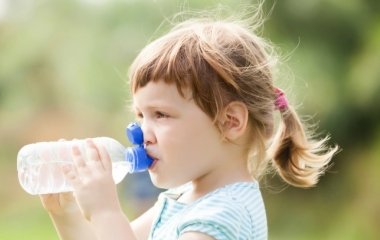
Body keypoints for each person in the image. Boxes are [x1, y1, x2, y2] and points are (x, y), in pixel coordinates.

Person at [40, 13, 339, 240]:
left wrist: (105, 211)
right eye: (141, 115)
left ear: (229, 122)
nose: (142, 133)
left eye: (161, 114)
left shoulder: (222, 217)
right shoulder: (181, 199)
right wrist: (66, 214)